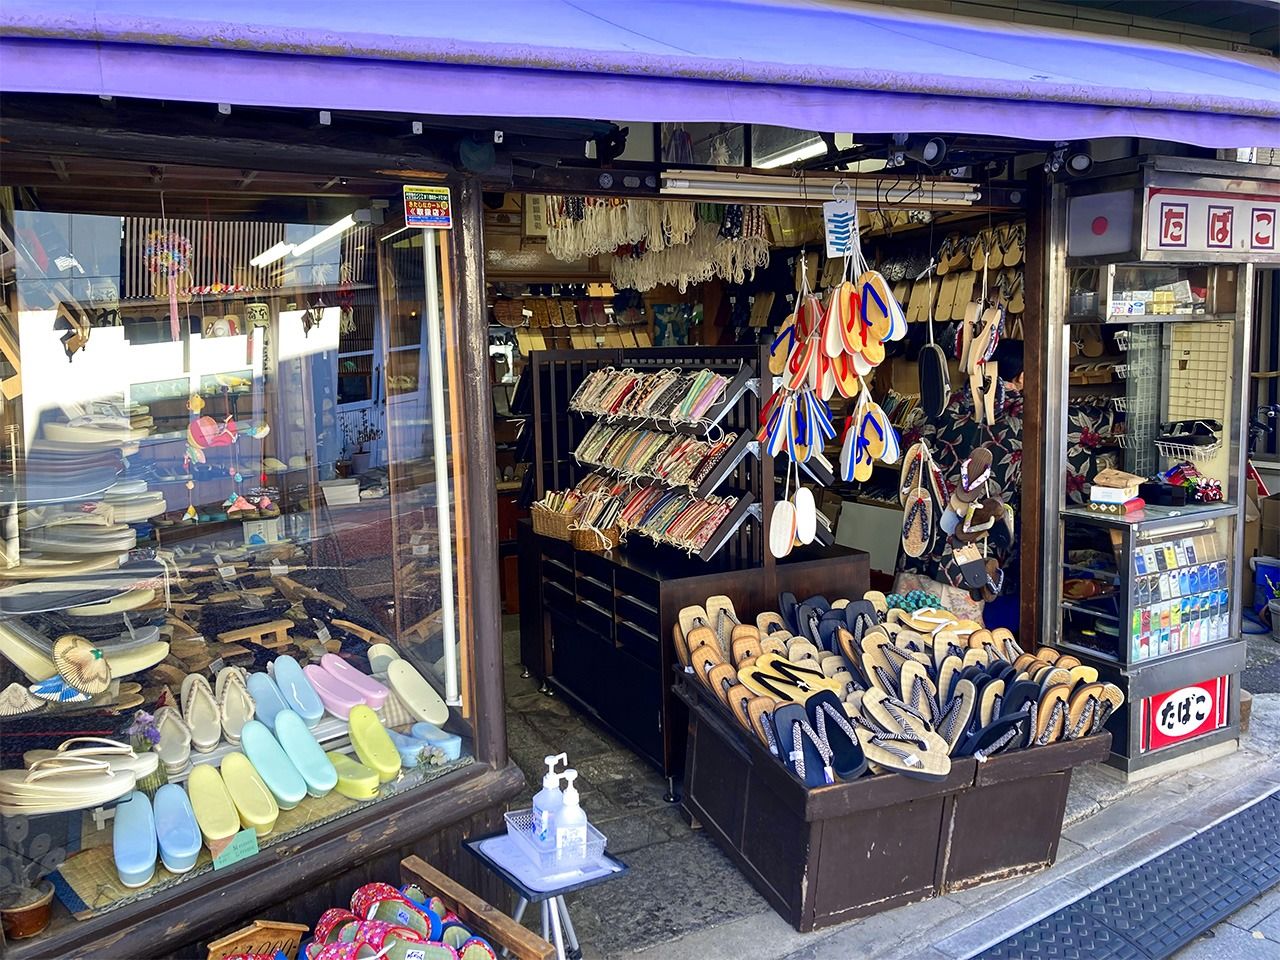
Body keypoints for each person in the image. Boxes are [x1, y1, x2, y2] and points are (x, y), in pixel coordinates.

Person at [897, 338, 1023, 633]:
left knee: (907, 630)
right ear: (1021, 376)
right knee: (962, 644)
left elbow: (909, 460)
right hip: (976, 547)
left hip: (923, 537)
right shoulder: (1025, 419)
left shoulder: (939, 406)